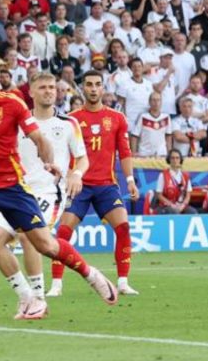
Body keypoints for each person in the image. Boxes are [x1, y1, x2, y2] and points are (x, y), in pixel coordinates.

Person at [0, 51, 116, 333]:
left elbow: (38, 137)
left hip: (14, 187)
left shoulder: (13, 105)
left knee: (45, 245)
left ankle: (91, 274)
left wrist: (50, 162)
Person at [0, 72, 90, 321]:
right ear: (31, 92)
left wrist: (77, 173)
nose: (49, 91)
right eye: (42, 87)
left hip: (49, 191)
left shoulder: (68, 123)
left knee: (27, 234)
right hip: (18, 191)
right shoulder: (19, 122)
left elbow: (82, 157)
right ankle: (26, 297)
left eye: (52, 87)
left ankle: (39, 299)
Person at [50, 69, 138, 297]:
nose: (93, 88)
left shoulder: (117, 119)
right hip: (79, 185)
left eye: (97, 84)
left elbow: (125, 152)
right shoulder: (72, 119)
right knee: (64, 233)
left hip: (107, 185)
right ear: (83, 87)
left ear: (102, 88)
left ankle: (123, 282)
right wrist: (68, 176)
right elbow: (63, 152)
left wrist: (129, 180)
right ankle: (57, 284)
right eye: (88, 84)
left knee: (124, 227)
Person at [153, 149, 197, 214]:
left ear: (180, 160)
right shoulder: (163, 175)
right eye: (172, 158)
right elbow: (159, 195)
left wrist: (183, 205)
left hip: (181, 205)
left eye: (177, 158)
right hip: (166, 206)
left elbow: (188, 195)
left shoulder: (185, 176)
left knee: (193, 212)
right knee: (174, 212)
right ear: (169, 160)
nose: (175, 160)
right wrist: (171, 205)